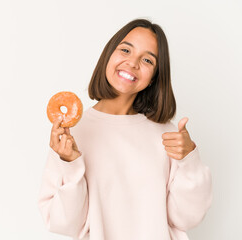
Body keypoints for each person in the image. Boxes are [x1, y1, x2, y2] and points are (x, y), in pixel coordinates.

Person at [37, 18, 213, 240]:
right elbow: (63, 223)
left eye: (147, 60)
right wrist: (70, 164)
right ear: (108, 55)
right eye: (126, 50)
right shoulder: (71, 135)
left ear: (154, 77)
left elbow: (187, 219)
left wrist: (189, 160)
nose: (132, 63)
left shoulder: (167, 136)